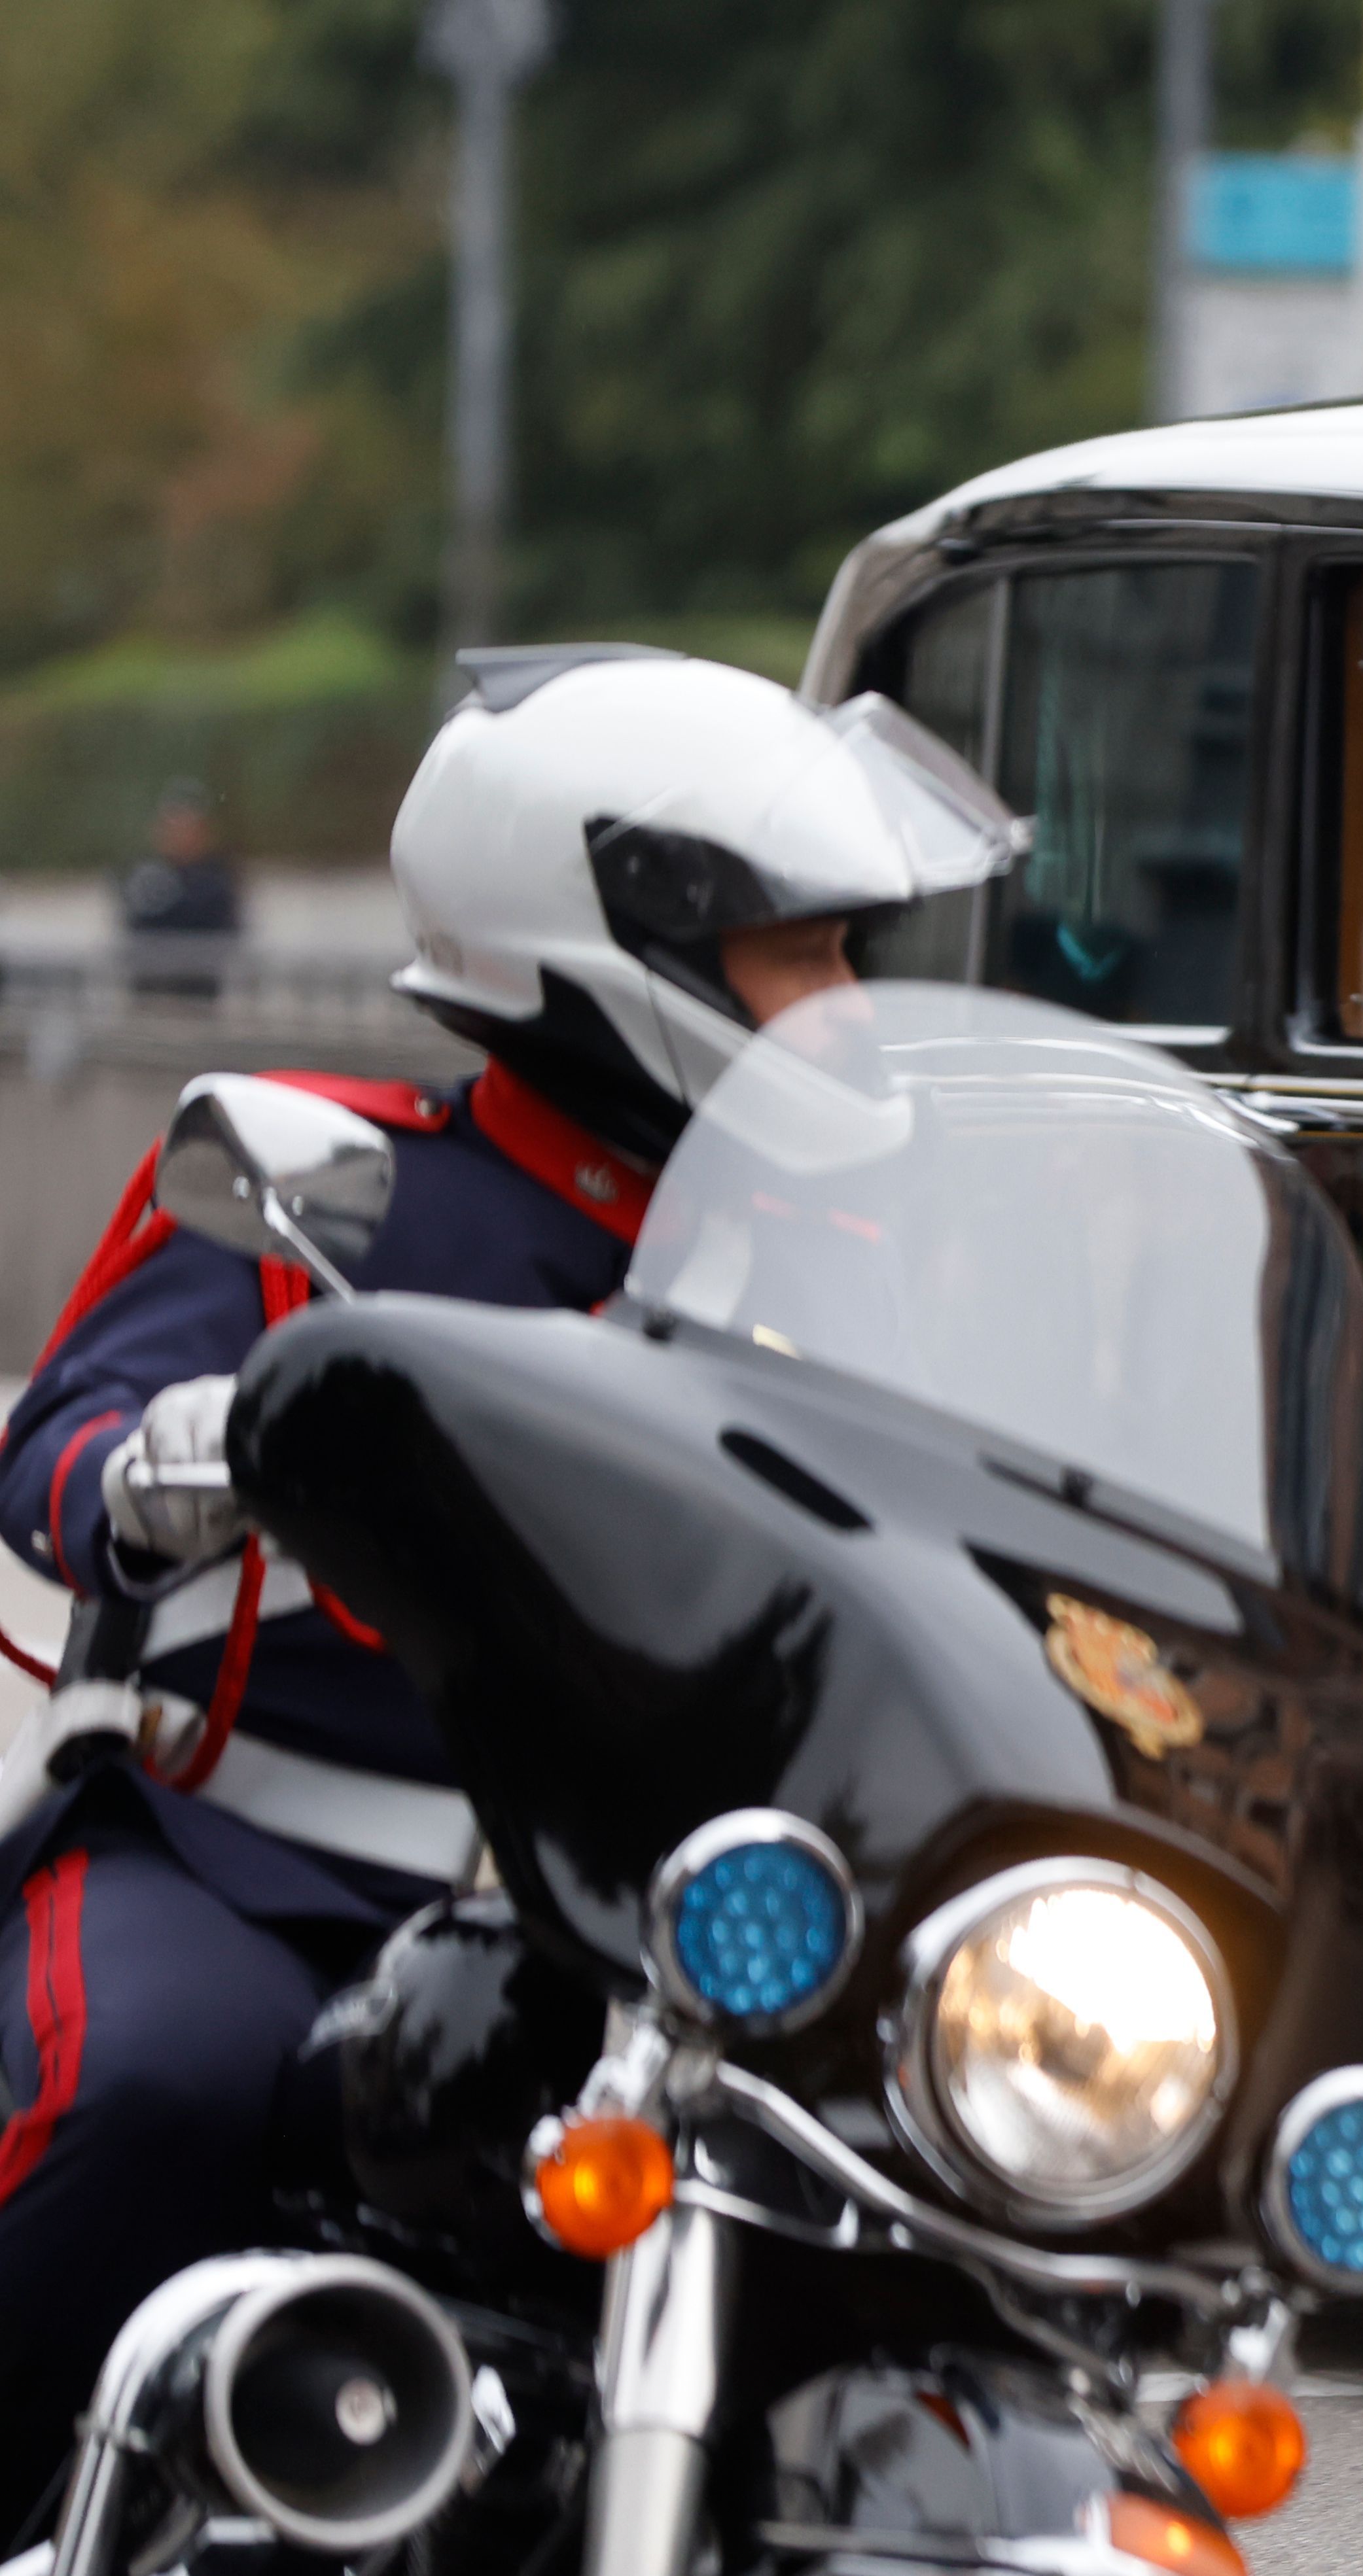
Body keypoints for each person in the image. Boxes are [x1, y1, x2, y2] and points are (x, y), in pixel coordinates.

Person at [0, 646, 1014, 2518]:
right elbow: (59, 1448)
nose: (853, 1006)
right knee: (150, 2092)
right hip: (268, 1873)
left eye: (853, 952)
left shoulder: (858, 1258)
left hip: (693, 1920)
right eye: (807, 955)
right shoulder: (344, 1192)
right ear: (616, 947)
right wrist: (181, 1463)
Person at [115, 776, 245, 1001]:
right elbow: (138, 924)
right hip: (151, 996)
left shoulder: (219, 877)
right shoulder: (145, 873)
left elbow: (222, 925)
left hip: (199, 997)